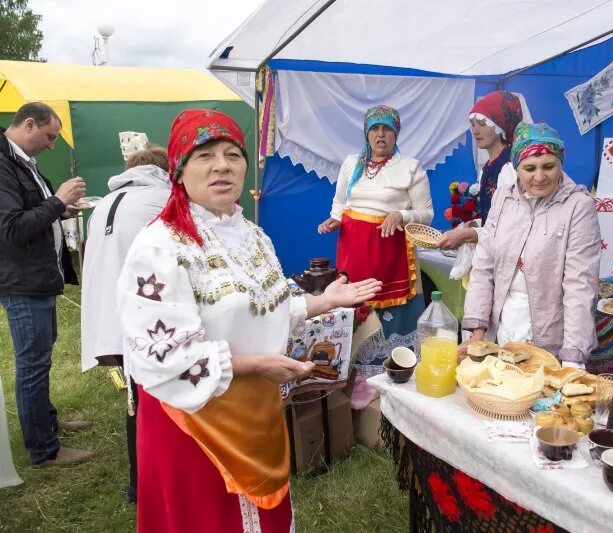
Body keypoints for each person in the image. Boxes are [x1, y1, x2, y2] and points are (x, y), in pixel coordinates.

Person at [118, 109, 380, 532]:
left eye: (232, 154)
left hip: (256, 412)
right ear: (179, 171)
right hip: (194, 424)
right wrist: (256, 365)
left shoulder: (252, 235)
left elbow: (267, 307)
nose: (222, 165)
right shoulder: (160, 246)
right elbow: (161, 355)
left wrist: (322, 301)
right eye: (205, 156)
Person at [462, 122, 601, 369]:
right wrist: (478, 327)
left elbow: (580, 284)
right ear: (516, 168)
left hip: (548, 332)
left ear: (561, 164)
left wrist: (573, 356)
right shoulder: (503, 198)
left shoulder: (577, 205)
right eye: (529, 168)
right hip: (501, 326)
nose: (539, 177)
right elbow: (484, 266)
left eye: (549, 166)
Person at [0, 102, 93, 467]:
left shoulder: (21, 161)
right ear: (28, 124)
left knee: (41, 359)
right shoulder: (4, 165)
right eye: (50, 136)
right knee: (33, 365)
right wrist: (57, 200)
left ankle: (48, 423)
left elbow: (29, 216)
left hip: (36, 278)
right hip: (23, 282)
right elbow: (11, 230)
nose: (52, 144)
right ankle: (43, 449)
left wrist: (60, 210)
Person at [81, 145, 171, 502]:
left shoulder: (105, 201)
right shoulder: (161, 198)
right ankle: (144, 482)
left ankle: (141, 481)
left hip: (109, 314)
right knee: (153, 403)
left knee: (137, 400)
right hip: (146, 316)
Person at [318, 104, 432, 341]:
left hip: (389, 253)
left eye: (387, 129)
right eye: (375, 129)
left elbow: (426, 213)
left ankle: (392, 361)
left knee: (388, 310)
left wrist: (402, 214)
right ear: (367, 133)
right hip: (353, 250)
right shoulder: (351, 163)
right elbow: (340, 202)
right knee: (354, 301)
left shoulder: (411, 168)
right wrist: (335, 219)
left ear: (396, 134)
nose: (381, 134)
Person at [437, 91, 523, 250]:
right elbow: (492, 216)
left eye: (482, 124)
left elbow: (512, 224)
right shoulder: (490, 165)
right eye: (473, 124)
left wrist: (467, 234)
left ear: (500, 126)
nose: (475, 131)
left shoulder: (508, 167)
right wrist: (475, 223)